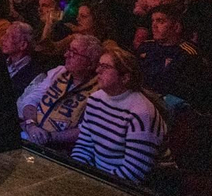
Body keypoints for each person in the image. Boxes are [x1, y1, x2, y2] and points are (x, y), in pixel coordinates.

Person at [72, 44, 169, 184]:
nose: (97, 70)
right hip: (102, 179)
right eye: (99, 65)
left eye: (105, 67)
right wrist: (76, 173)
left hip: (140, 188)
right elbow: (84, 146)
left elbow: (134, 172)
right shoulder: (95, 99)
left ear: (125, 77)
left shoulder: (141, 114)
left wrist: (94, 184)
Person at [17, 34, 104, 149]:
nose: (66, 55)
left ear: (90, 63)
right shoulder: (59, 72)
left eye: (74, 52)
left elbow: (86, 129)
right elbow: (32, 99)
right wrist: (31, 125)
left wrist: (50, 137)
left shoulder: (99, 89)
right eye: (68, 50)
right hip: (30, 132)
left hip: (60, 148)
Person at [136, 6, 212, 112]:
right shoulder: (145, 47)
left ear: (176, 27)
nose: (154, 25)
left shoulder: (187, 54)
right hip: (142, 100)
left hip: (168, 108)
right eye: (153, 21)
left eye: (160, 21)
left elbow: (187, 92)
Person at [0, 21, 48, 93]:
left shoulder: (35, 76)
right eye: (5, 34)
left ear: (23, 45)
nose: (3, 38)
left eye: (11, 36)